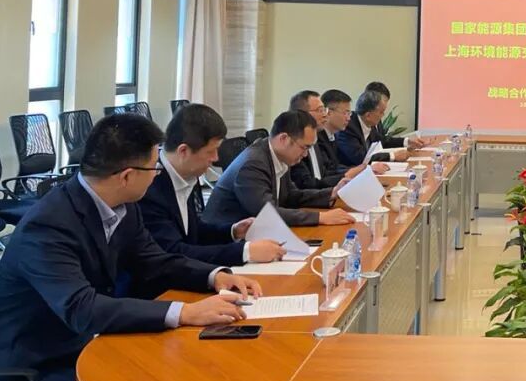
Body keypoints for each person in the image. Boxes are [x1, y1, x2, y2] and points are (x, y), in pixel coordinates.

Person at [0, 114, 260, 381]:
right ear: (128, 176)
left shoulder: (122, 205)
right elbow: (82, 308)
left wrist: (215, 276)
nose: (157, 176)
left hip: (78, 348)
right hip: (31, 379)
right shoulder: (48, 225)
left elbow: (155, 260)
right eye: (154, 169)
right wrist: (185, 312)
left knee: (180, 374)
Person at [139, 103, 286, 267]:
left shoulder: (184, 174)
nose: (216, 158)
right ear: (183, 151)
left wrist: (232, 231)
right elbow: (173, 252)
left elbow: (193, 232)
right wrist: (245, 252)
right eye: (210, 151)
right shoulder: (149, 188)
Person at [202, 110, 356, 228]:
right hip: (225, 242)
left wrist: (331, 193)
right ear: (283, 139)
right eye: (304, 147)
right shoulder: (253, 164)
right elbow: (267, 213)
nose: (305, 154)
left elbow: (291, 196)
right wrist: (320, 217)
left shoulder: (278, 155)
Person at [289, 90, 389, 189]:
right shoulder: (296, 143)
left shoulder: (319, 138)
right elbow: (307, 185)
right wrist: (352, 173)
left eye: (324, 110)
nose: (324, 115)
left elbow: (330, 169)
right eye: (320, 110)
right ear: (302, 113)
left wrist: (356, 171)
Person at [339, 89, 416, 167]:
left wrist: (407, 141)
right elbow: (361, 158)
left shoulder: (369, 123)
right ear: (368, 115)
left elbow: (382, 141)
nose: (383, 115)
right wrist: (392, 156)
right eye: (381, 112)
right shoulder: (348, 127)